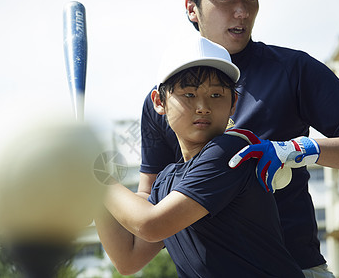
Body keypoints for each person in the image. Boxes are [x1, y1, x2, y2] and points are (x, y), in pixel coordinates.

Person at [138, 0, 339, 276]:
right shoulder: (164, 100)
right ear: (192, 8)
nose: (242, 11)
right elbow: (146, 212)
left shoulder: (293, 69)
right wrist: (95, 190)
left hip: (296, 268)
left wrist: (298, 149)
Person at [96, 35, 304, 277]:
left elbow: (150, 225)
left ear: (233, 103)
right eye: (189, 95)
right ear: (159, 101)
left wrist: (96, 180)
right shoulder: (166, 181)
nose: (203, 106)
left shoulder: (230, 151)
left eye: (216, 95)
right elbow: (128, 259)